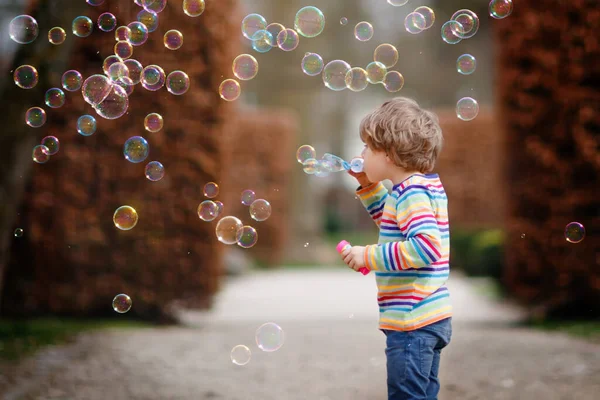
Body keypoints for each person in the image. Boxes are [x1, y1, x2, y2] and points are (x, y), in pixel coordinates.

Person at [341, 97, 452, 400]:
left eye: (367, 147)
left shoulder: (412, 193)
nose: (361, 153)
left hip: (412, 321)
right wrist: (367, 185)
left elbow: (425, 248)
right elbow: (393, 227)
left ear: (388, 153)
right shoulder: (415, 188)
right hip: (429, 317)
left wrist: (368, 256)